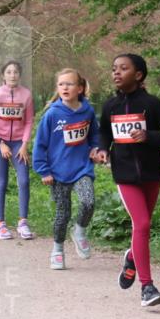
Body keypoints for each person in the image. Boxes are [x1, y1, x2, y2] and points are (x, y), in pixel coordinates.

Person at [99, 54, 160, 306]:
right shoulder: (110, 106)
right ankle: (147, 287)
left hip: (151, 173)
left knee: (142, 228)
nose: (116, 72)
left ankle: (132, 258)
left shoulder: (152, 104)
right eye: (114, 68)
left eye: (123, 68)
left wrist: (149, 136)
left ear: (138, 75)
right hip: (124, 175)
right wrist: (102, 150)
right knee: (142, 224)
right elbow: (104, 135)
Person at [33, 69, 102, 270]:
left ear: (79, 88)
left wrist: (95, 148)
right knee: (63, 214)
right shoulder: (52, 114)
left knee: (88, 202)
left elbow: (94, 136)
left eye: (69, 84)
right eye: (61, 84)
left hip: (81, 169)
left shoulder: (88, 111)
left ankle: (79, 230)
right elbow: (40, 145)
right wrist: (43, 170)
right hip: (57, 173)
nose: (64, 87)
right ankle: (57, 250)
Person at [0, 60, 35, 240]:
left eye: (15, 72)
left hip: (19, 144)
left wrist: (24, 144)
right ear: (3, 75)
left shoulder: (26, 95)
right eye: (9, 72)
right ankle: (0, 224)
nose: (12, 75)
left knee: (24, 181)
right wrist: (0, 143)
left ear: (19, 75)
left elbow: (29, 121)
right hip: (1, 142)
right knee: (2, 182)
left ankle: (23, 222)